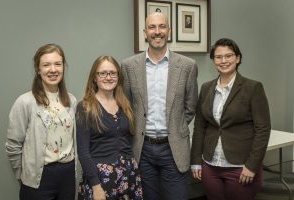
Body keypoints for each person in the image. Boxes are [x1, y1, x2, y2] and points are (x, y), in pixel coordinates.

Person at [121, 12, 198, 200]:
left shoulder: (187, 65)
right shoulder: (129, 66)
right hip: (142, 149)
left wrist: (174, 126)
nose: (157, 32)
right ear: (145, 32)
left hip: (174, 149)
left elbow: (190, 107)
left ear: (169, 31)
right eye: (152, 27)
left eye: (162, 26)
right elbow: (127, 106)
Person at [190, 38, 271, 200]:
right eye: (218, 57)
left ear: (238, 58)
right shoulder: (207, 88)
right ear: (213, 60)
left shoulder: (252, 88)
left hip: (240, 167)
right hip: (211, 166)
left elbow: (262, 129)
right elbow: (199, 127)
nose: (224, 61)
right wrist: (196, 161)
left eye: (229, 56)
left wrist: (252, 166)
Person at [5, 43, 77, 200]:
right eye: (46, 65)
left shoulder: (71, 100)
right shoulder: (25, 102)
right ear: (38, 69)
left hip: (68, 174)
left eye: (58, 64)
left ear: (63, 67)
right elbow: (13, 145)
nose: (53, 69)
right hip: (38, 177)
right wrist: (24, 176)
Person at [76, 56, 143, 200]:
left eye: (113, 73)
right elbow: (83, 152)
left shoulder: (125, 105)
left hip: (128, 174)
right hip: (100, 178)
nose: (108, 77)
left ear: (118, 77)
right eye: (103, 73)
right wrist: (96, 186)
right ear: (94, 77)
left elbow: (130, 140)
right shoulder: (85, 107)